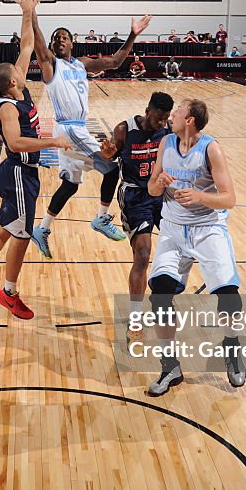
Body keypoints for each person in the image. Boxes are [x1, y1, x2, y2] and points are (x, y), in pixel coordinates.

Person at [0, 0, 72, 319]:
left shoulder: (19, 87)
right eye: (18, 70)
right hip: (16, 171)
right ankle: (9, 292)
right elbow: (13, 142)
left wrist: (28, 9)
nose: (23, 66)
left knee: (9, 223)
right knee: (23, 233)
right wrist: (51, 141)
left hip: (21, 173)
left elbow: (27, 45)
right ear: (12, 81)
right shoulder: (8, 106)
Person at [29, 9, 153, 258]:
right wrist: (31, 12)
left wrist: (132, 35)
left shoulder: (82, 64)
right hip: (71, 128)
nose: (59, 40)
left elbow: (116, 62)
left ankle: (41, 229)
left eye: (64, 37)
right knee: (112, 167)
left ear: (72, 43)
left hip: (74, 129)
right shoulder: (51, 65)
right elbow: (39, 43)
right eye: (56, 38)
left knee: (70, 185)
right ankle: (101, 218)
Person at [145, 99, 246, 393]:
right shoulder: (166, 143)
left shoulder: (211, 149)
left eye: (177, 112)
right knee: (160, 296)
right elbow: (152, 187)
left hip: (208, 228)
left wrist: (201, 197)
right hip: (173, 230)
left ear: (189, 120)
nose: (172, 115)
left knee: (228, 295)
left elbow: (228, 199)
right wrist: (159, 183)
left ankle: (231, 348)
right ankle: (170, 367)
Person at [98, 92, 173, 343]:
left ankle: (163, 295)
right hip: (135, 196)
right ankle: (135, 319)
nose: (162, 124)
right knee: (142, 254)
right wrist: (107, 153)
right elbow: (107, 157)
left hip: (162, 195)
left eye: (166, 120)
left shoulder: (169, 130)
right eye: (158, 119)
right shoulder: (125, 129)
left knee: (180, 247)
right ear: (147, 111)